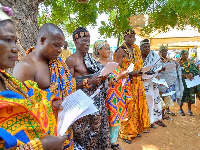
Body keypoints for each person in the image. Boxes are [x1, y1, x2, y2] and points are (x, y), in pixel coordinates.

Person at [0, 6, 70, 150]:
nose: (16, 48)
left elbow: (30, 101)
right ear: (43, 40)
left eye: (15, 41)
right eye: (7, 40)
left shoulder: (6, 79)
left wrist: (51, 102)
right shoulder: (26, 66)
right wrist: (40, 146)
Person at [13, 23, 75, 149]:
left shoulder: (57, 63)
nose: (60, 50)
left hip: (63, 127)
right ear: (42, 40)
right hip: (43, 137)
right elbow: (22, 109)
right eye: (56, 45)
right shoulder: (26, 67)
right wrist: (50, 100)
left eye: (61, 46)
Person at [65, 27, 111, 149]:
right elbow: (67, 85)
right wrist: (87, 82)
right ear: (75, 41)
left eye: (88, 41)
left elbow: (98, 74)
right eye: (84, 41)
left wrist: (103, 77)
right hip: (80, 104)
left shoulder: (91, 59)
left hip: (96, 102)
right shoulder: (71, 60)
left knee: (96, 130)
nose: (87, 43)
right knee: (81, 134)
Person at [114, 29, 150, 144]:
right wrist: (130, 74)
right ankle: (126, 133)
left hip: (137, 83)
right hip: (126, 84)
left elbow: (139, 64)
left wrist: (141, 72)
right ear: (124, 37)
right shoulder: (120, 51)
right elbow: (117, 70)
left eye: (133, 37)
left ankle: (136, 129)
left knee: (137, 106)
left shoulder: (136, 49)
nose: (132, 39)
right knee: (128, 108)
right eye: (129, 37)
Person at [93, 40, 128, 150]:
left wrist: (124, 76)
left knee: (116, 117)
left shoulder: (113, 63)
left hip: (117, 95)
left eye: (109, 49)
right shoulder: (96, 64)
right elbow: (102, 81)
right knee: (105, 119)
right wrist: (118, 78)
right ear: (99, 50)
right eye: (106, 49)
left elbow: (118, 77)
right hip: (105, 96)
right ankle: (105, 142)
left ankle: (113, 142)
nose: (109, 51)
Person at [140, 39, 166, 127]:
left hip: (151, 84)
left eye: (148, 47)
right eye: (145, 47)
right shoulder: (137, 57)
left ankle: (150, 121)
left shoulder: (154, 57)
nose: (147, 49)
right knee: (142, 103)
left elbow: (157, 69)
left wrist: (155, 75)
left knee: (151, 103)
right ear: (140, 48)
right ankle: (141, 122)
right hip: (140, 84)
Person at [157, 45, 177, 119]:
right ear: (160, 52)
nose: (164, 53)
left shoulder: (169, 60)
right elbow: (154, 70)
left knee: (166, 96)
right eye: (163, 51)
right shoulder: (157, 60)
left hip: (167, 81)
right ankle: (158, 114)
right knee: (159, 97)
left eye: (165, 51)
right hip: (159, 81)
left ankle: (163, 113)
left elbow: (173, 70)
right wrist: (160, 69)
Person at [178, 50, 200, 116]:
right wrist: (185, 75)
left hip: (190, 82)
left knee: (190, 95)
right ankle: (180, 109)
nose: (185, 56)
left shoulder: (191, 63)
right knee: (182, 95)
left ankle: (189, 110)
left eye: (186, 54)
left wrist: (192, 74)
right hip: (182, 82)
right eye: (184, 54)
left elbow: (197, 71)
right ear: (181, 55)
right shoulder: (178, 63)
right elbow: (176, 73)